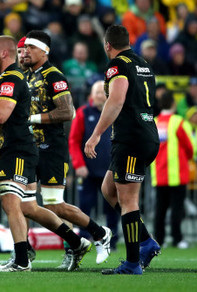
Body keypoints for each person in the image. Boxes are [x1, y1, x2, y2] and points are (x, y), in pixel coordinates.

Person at [0, 35, 93, 272]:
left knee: (10, 201)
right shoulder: (9, 78)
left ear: (3, 54)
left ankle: (21, 259)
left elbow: (0, 116)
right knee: (29, 207)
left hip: (18, 149)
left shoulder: (10, 77)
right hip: (20, 146)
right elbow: (4, 119)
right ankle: (76, 241)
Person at [23, 30, 111, 268]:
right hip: (30, 149)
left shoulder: (54, 76)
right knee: (19, 201)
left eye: (31, 47)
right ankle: (23, 253)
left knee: (53, 205)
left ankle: (97, 234)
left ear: (44, 51)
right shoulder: (29, 76)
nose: (26, 51)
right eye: (25, 47)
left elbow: (67, 112)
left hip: (51, 148)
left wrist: (32, 119)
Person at [85, 24, 161, 275]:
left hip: (131, 138)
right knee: (109, 189)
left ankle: (132, 263)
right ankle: (147, 242)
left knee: (128, 201)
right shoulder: (143, 63)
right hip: (148, 133)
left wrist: (95, 135)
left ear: (108, 45)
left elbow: (116, 99)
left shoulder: (116, 65)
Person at [69, 80, 120, 254]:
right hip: (88, 171)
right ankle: (84, 238)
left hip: (110, 169)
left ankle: (113, 240)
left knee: (112, 206)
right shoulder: (83, 113)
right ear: (91, 95)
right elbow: (74, 141)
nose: (100, 96)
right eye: (97, 92)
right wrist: (78, 164)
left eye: (103, 92)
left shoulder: (115, 112)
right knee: (85, 205)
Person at [151, 92, 194, 249]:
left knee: (160, 210)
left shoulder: (154, 122)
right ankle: (177, 239)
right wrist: (188, 158)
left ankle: (159, 239)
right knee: (177, 209)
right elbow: (190, 147)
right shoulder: (178, 122)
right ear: (174, 104)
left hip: (159, 174)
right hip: (177, 174)